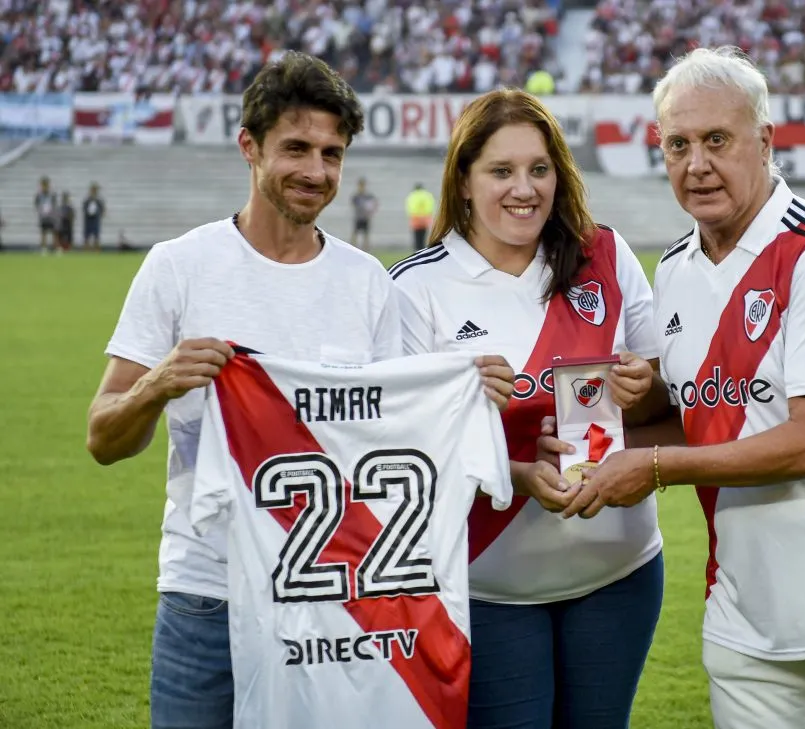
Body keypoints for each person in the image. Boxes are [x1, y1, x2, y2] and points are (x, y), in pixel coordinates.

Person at [85, 51, 513, 729]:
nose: (316, 171)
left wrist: (464, 387)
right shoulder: (179, 267)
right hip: (207, 593)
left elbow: (392, 437)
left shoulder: (366, 281)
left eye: (331, 154)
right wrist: (157, 385)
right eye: (296, 148)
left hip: (331, 595)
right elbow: (102, 437)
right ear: (249, 146)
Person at [572, 46, 805, 729]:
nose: (696, 164)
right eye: (678, 144)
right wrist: (596, 436)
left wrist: (651, 467)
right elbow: (705, 416)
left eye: (717, 139)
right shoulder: (676, 268)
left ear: (766, 140)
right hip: (745, 607)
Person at [389, 88, 668, 729]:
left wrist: (640, 387)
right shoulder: (414, 287)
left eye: (539, 169)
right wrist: (513, 473)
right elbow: (398, 455)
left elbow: (667, 404)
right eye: (501, 170)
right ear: (463, 181)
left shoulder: (606, 255)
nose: (525, 189)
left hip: (619, 576)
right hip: (488, 587)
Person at [350, 176, 378, 251]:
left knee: (366, 235)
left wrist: (371, 212)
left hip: (366, 218)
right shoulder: (356, 196)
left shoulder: (368, 196)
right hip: (358, 217)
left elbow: (374, 204)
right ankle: (352, 249)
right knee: (355, 234)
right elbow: (354, 205)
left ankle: (366, 250)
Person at [405, 182, 435, 251]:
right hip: (425, 217)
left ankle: (417, 249)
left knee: (416, 235)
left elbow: (409, 207)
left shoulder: (412, 195)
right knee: (423, 235)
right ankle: (422, 248)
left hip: (415, 217)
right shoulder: (427, 195)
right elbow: (430, 206)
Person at [34, 176, 57, 254]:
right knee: (43, 232)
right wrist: (41, 211)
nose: (45, 187)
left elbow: (54, 204)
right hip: (43, 216)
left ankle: (54, 248)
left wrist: (52, 212)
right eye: (43, 185)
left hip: (51, 216)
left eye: (46, 185)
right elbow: (36, 205)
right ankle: (44, 248)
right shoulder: (39, 195)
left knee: (54, 232)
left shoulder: (52, 194)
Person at [83, 182, 105, 250]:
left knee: (96, 235)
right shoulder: (87, 199)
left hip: (95, 219)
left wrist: (101, 214)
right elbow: (84, 208)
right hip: (88, 219)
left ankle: (96, 250)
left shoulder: (99, 200)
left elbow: (102, 209)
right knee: (87, 236)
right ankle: (86, 249)